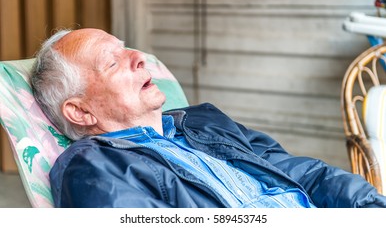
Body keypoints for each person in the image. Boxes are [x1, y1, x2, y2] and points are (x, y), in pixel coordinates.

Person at [31, 28, 386, 208]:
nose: (139, 56)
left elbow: (300, 171)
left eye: (128, 49)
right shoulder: (92, 167)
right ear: (80, 111)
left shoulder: (201, 120)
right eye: (112, 62)